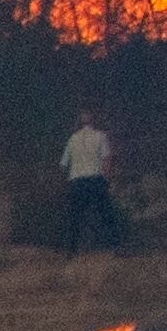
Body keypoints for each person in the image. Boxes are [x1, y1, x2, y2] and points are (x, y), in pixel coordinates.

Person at [61, 108, 121, 253]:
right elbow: (107, 159)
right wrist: (108, 179)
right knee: (106, 213)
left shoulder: (72, 138)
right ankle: (116, 246)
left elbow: (63, 163)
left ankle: (71, 250)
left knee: (75, 217)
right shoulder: (101, 136)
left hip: (76, 181)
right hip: (95, 179)